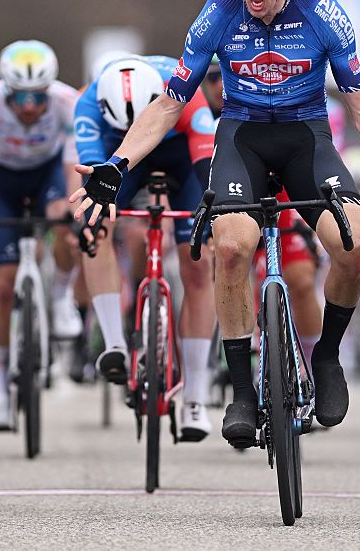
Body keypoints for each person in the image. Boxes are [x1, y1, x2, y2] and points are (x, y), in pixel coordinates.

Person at [71, 0, 360, 447]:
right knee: (230, 248)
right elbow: (169, 103)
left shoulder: (320, 8)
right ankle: (242, 389)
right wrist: (117, 165)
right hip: (241, 137)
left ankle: (327, 357)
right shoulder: (220, 7)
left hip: (304, 137)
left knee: (355, 242)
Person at [74, 55, 217, 441]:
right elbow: (92, 173)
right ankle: (115, 344)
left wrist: (211, 211)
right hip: (120, 154)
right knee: (94, 221)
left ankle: (196, 397)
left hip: (181, 152)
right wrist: (94, 218)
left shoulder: (186, 91)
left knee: (199, 264)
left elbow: (206, 165)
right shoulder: (87, 103)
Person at [0, 39, 82, 429]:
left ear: (49, 90)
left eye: (36, 97)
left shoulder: (65, 102)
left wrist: (72, 210)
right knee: (2, 286)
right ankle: (1, 392)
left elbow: (74, 161)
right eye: (19, 97)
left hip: (48, 173)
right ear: (6, 90)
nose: (27, 106)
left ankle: (59, 296)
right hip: (2, 179)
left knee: (65, 223)